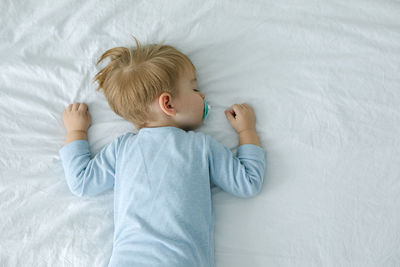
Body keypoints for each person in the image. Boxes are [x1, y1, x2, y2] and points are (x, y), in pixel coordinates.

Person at [59, 36, 266, 267]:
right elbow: (248, 182)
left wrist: (76, 132)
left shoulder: (123, 148)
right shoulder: (200, 146)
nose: (203, 96)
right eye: (194, 88)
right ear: (168, 104)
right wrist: (246, 131)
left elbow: (81, 181)